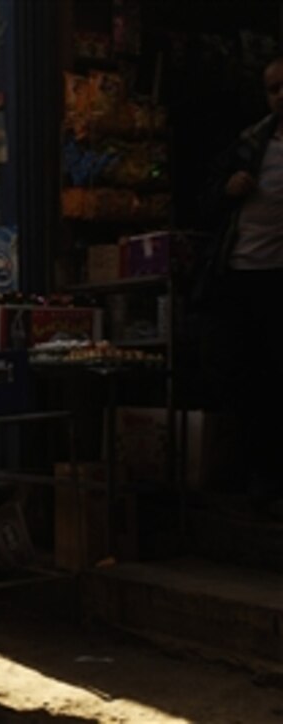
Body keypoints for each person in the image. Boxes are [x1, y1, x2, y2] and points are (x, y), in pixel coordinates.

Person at [201, 56, 283, 514]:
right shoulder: (252, 142)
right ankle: (256, 477)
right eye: (273, 88)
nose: (281, 95)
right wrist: (228, 188)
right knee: (247, 378)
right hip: (242, 274)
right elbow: (207, 199)